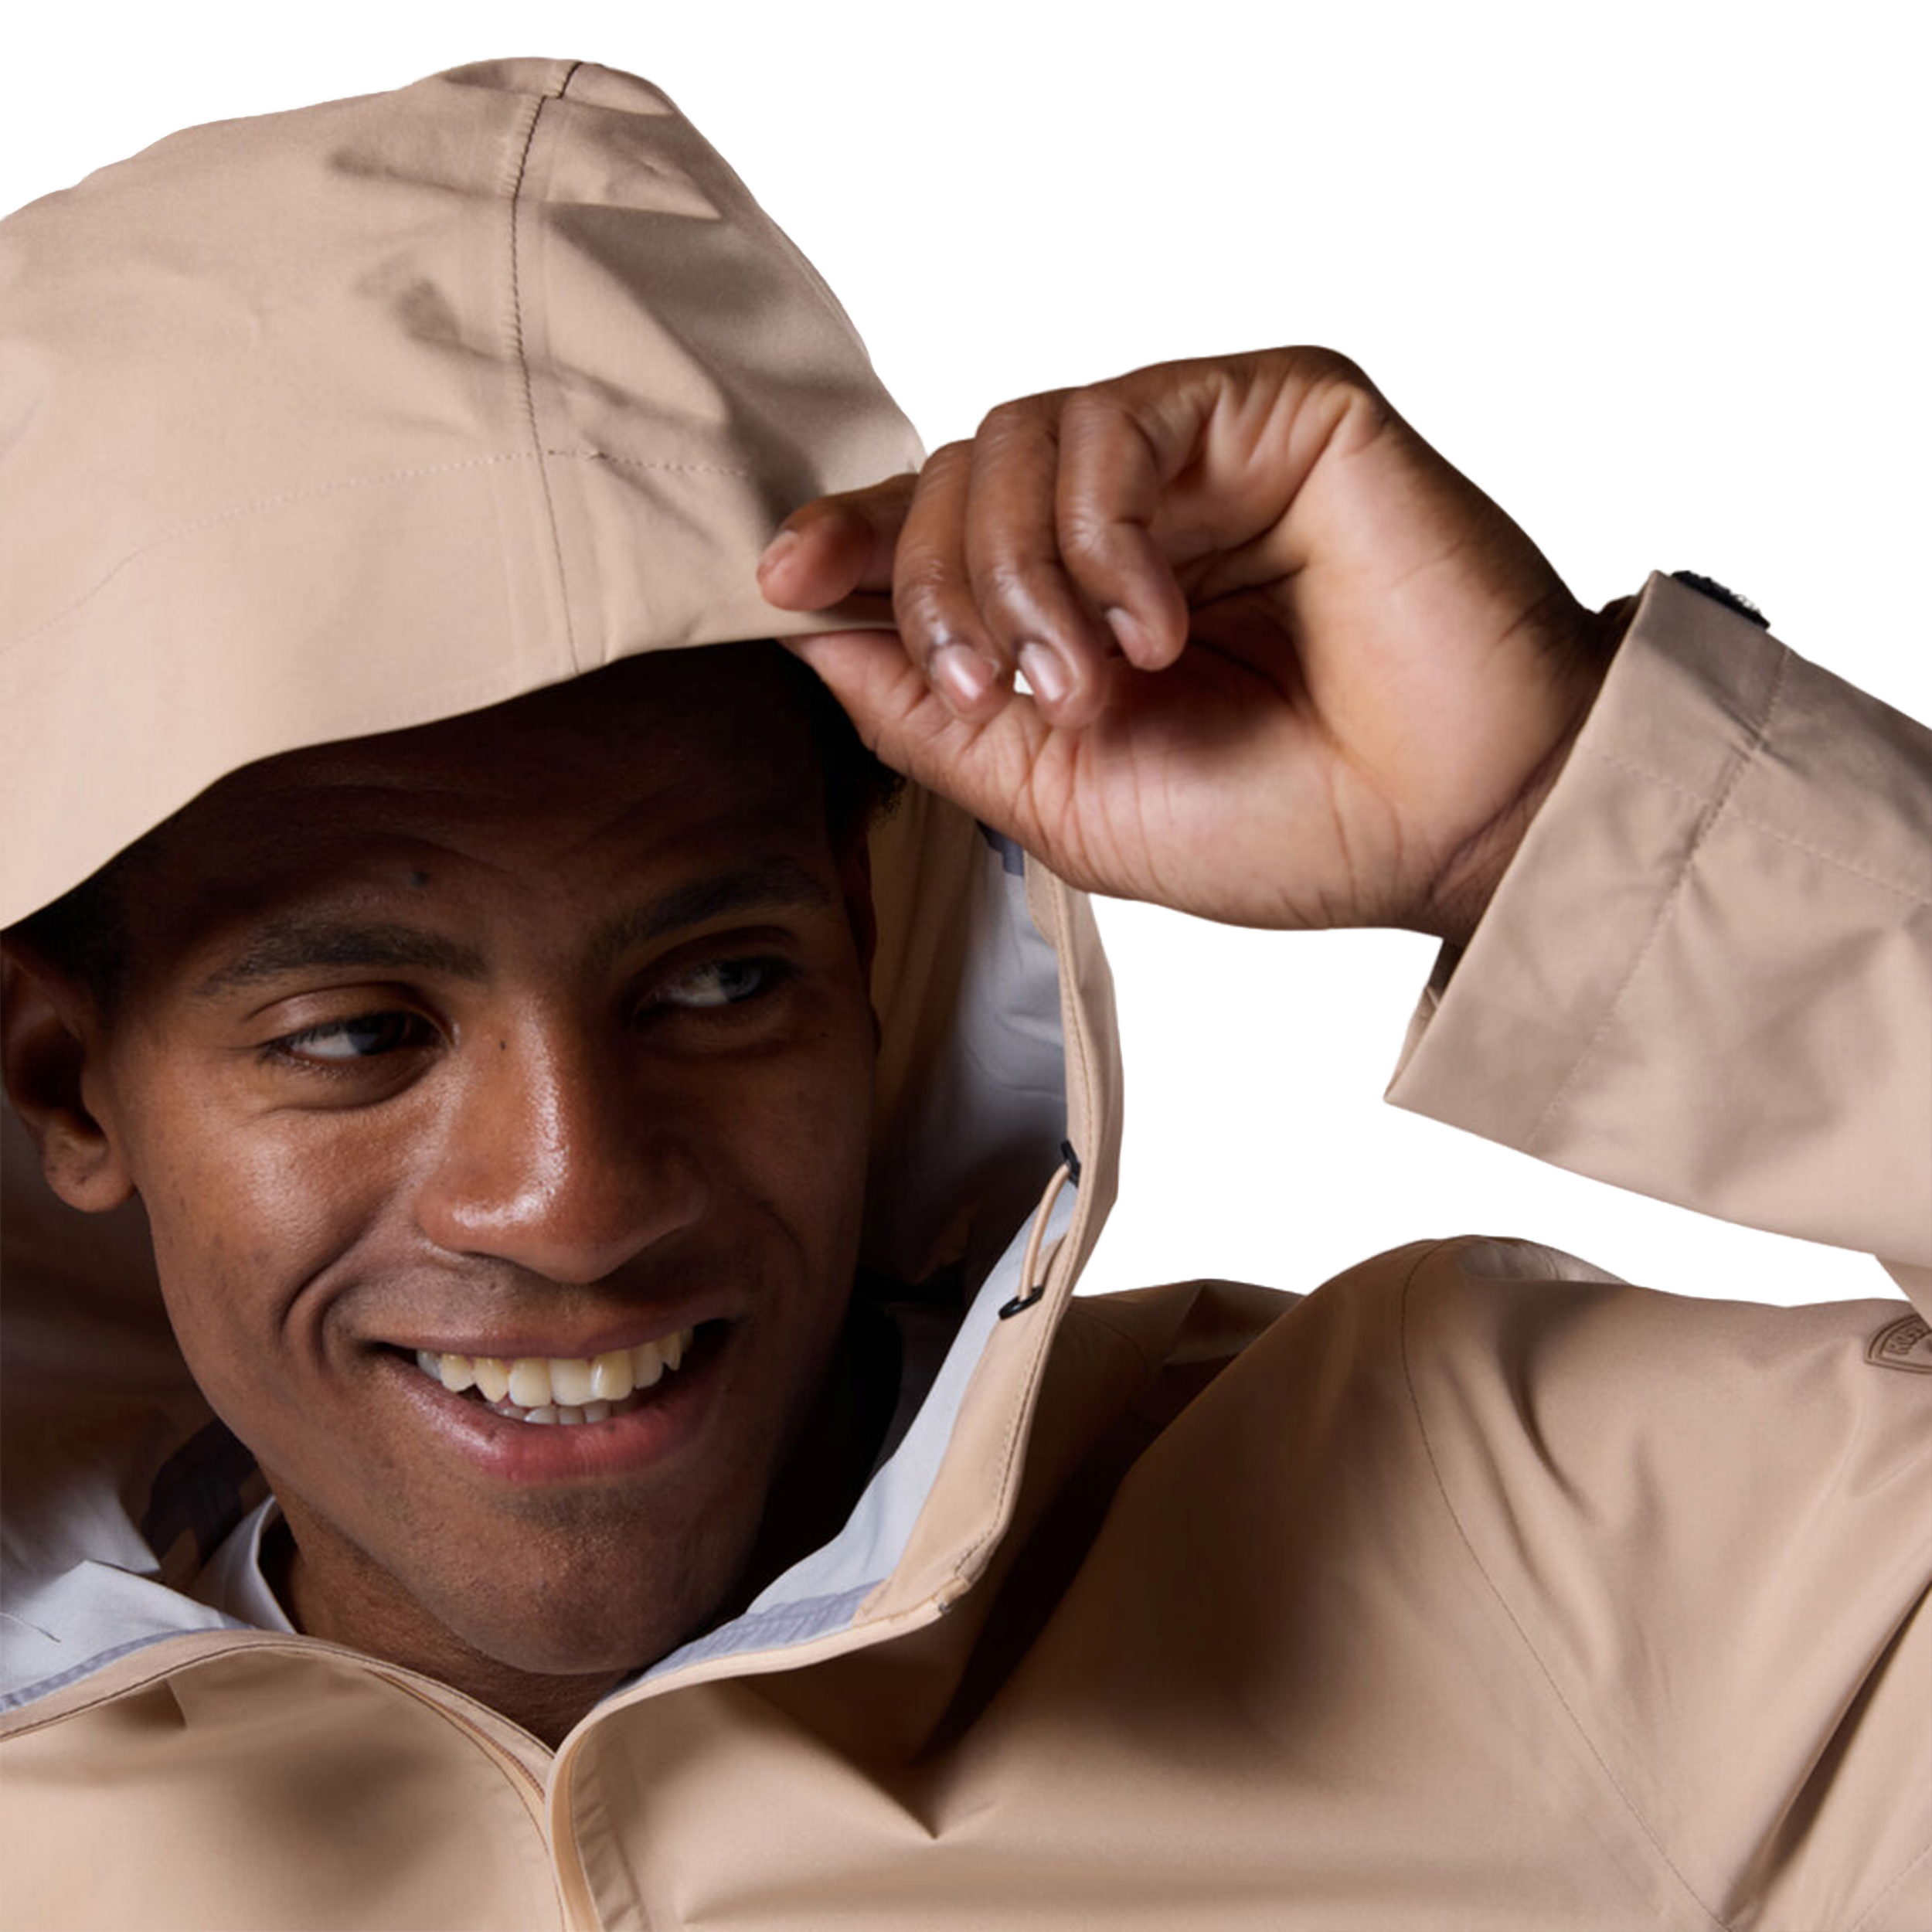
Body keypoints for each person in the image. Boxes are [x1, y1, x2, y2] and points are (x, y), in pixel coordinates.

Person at [1, 51, 1926, 1932]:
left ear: (868, 945)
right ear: (67, 1083)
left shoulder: (1498, 1544)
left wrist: (1547, 809)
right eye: (358, 1034)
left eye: (717, 979)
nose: (575, 1200)